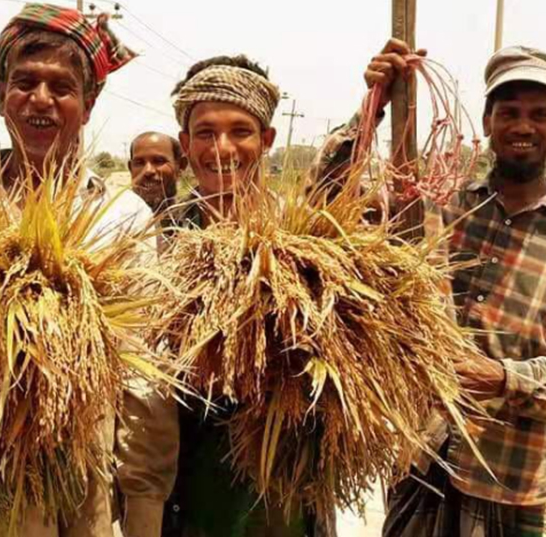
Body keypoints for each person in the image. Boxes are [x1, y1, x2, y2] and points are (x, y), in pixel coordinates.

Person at [0, 3, 179, 537]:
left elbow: (144, 373)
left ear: (89, 104)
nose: (41, 100)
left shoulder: (120, 217)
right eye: (25, 82)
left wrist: (143, 507)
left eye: (62, 87)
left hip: (78, 494)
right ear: (1, 94)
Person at [345, 39, 546, 537]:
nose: (524, 127)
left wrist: (505, 378)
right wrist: (372, 108)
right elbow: (328, 204)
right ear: (488, 122)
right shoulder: (440, 207)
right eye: (509, 112)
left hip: (511, 485)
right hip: (422, 466)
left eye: (540, 114)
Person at [164, 54, 333, 537]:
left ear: (267, 139)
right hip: (185, 485)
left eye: (240, 131)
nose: (222, 148)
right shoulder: (160, 235)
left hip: (281, 490)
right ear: (185, 143)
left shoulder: (306, 236)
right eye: (205, 132)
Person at [128, 131, 187, 213]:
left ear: (181, 166)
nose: (148, 171)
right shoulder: (114, 216)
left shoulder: (196, 216)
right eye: (139, 163)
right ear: (130, 168)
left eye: (159, 161)